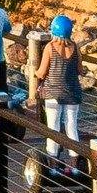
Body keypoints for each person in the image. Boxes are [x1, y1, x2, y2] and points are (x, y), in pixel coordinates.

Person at [36, 13, 83, 168]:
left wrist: (34, 74)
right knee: (71, 125)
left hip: (53, 93)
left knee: (53, 126)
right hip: (73, 92)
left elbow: (42, 72)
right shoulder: (75, 47)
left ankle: (52, 159)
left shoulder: (50, 47)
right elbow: (80, 70)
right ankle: (75, 161)